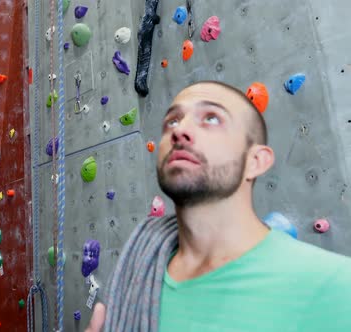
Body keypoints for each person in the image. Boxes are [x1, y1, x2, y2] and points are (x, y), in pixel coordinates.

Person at [85, 80, 351, 331]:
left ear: (255, 161)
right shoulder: (139, 269)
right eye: (172, 121)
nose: (180, 131)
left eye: (212, 118)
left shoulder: (335, 289)